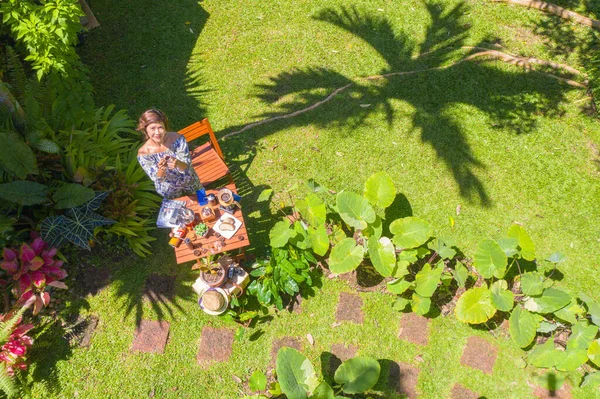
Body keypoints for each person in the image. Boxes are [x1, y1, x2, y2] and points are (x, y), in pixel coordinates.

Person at [136, 108, 203, 199]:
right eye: (152, 128)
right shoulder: (144, 154)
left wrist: (178, 163)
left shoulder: (177, 139)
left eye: (160, 127)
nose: (157, 132)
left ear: (165, 127)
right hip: (169, 190)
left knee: (202, 202)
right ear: (145, 130)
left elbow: (187, 165)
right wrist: (161, 169)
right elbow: (157, 179)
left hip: (190, 181)